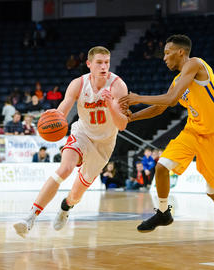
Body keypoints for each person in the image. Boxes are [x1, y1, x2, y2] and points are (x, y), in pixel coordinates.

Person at [119, 35, 214, 241]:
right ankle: (163, 213)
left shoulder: (195, 64)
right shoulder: (177, 80)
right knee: (161, 167)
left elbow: (171, 100)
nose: (164, 58)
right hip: (193, 131)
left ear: (181, 52)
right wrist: (131, 118)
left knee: (212, 189)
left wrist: (137, 98)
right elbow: (160, 107)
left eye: (167, 52)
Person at [13, 46, 128, 238]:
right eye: (99, 62)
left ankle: (65, 207)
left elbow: (122, 124)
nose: (104, 66)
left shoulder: (118, 86)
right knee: (64, 169)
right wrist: (53, 119)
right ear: (89, 64)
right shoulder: (78, 84)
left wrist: (111, 105)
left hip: (104, 144)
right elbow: (63, 111)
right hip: (82, 133)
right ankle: (29, 218)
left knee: (76, 194)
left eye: (107, 62)